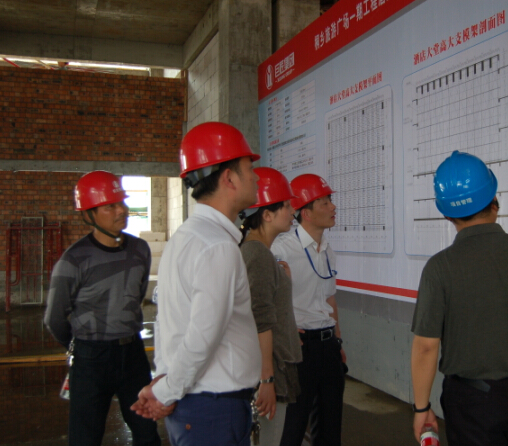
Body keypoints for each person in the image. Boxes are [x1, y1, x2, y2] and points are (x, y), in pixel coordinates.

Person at [410, 151, 508, 446]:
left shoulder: (439, 268)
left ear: (447, 214)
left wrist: (421, 408)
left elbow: (426, 347)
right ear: (494, 201)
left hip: (469, 402)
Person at [130, 122, 263, 446]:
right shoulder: (217, 246)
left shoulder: (186, 237)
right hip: (213, 411)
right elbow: (203, 337)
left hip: (196, 407)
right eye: (249, 168)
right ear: (229, 178)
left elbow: (167, 323)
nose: (257, 177)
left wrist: (164, 383)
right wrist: (165, 391)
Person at [44, 170, 161, 446]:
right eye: (110, 206)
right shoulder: (74, 260)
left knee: (147, 433)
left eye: (122, 202)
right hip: (90, 359)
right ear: (90, 214)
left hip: (133, 354)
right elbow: (55, 318)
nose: (122, 210)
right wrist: (82, 346)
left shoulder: (140, 250)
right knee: (85, 437)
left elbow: (136, 296)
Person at [270, 173, 346, 446]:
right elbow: (261, 301)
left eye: (330, 200)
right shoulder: (282, 249)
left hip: (328, 347)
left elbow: (329, 299)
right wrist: (283, 333)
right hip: (299, 350)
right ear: (306, 213)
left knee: (330, 430)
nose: (333, 206)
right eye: (325, 202)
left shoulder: (327, 250)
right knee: (293, 428)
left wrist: (338, 342)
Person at [239, 167, 303, 446]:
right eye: (286, 205)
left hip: (274, 363)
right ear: (266, 215)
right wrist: (266, 380)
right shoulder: (258, 254)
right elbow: (260, 318)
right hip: (269, 368)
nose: (292, 211)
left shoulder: (260, 253)